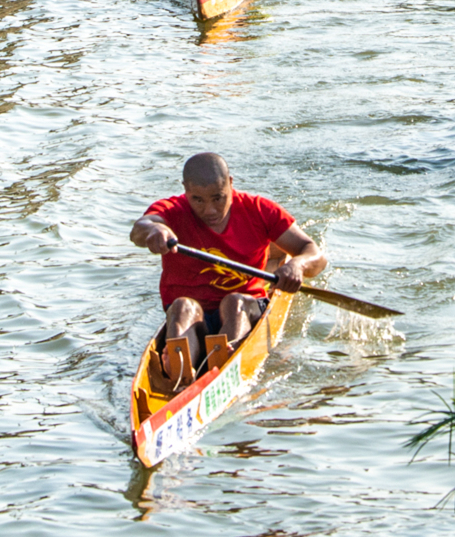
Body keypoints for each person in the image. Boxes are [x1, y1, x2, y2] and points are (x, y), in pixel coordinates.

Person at [130, 153, 326, 391]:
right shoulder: (173, 210)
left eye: (218, 198)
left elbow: (314, 253)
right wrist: (155, 231)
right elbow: (141, 228)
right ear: (185, 190)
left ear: (231, 184)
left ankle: (223, 364)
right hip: (194, 316)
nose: (210, 210)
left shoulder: (258, 210)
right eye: (198, 200)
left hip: (245, 306)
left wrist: (298, 265)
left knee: (234, 304)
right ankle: (181, 375)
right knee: (183, 306)